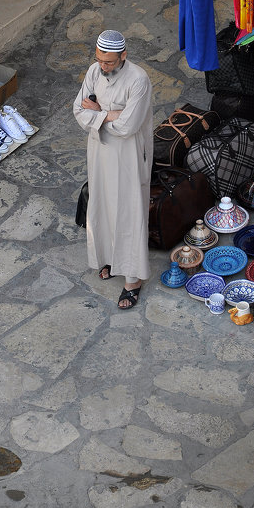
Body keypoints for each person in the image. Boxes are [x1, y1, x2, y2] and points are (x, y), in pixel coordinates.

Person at [73, 30, 153, 309]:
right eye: (99, 60)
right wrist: (110, 114)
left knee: (129, 210)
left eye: (108, 62)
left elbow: (129, 126)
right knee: (103, 204)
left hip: (129, 154)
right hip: (99, 150)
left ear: (123, 56)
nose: (102, 66)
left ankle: (132, 279)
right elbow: (78, 110)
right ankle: (107, 258)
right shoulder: (94, 71)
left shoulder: (138, 80)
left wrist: (97, 112)